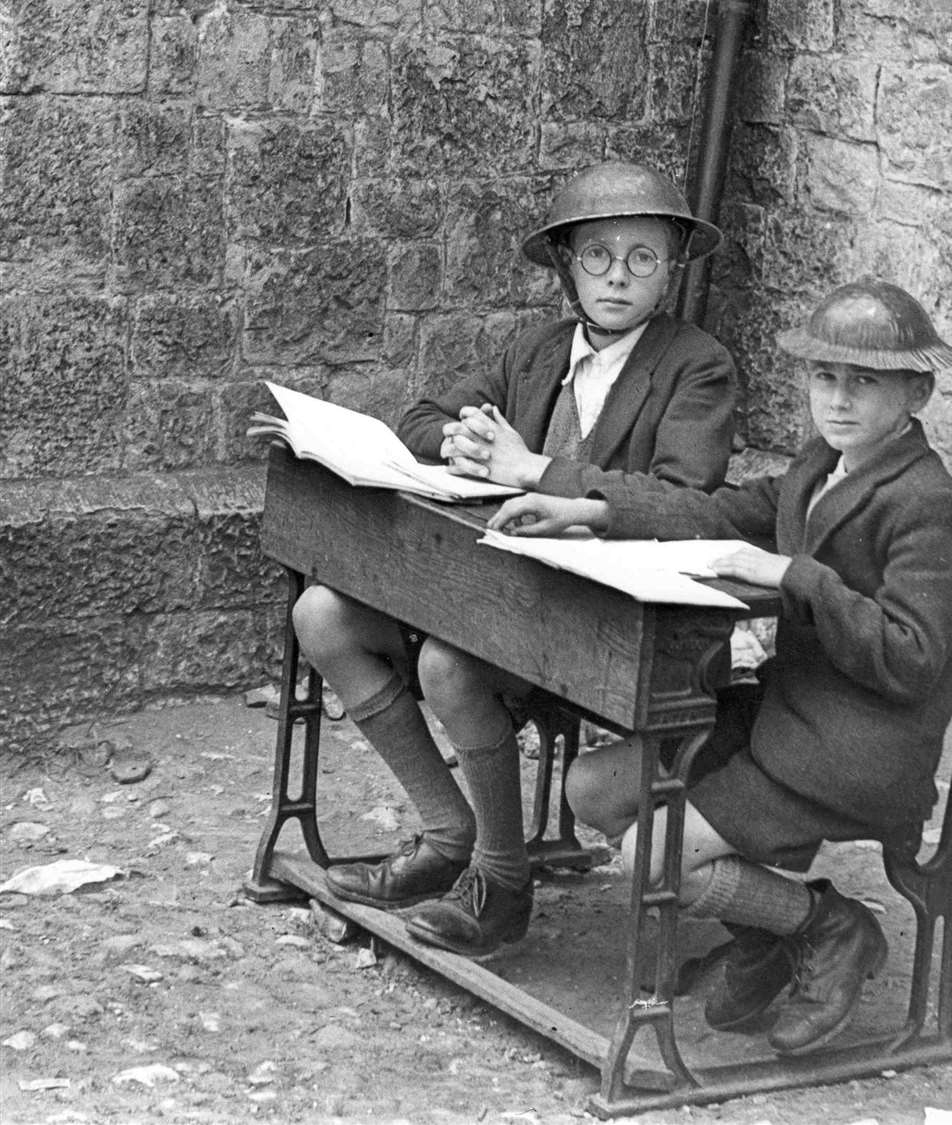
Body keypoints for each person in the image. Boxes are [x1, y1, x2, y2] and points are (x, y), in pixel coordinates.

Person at [487, 279, 952, 1053]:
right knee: (592, 788)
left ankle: (830, 927)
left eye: (865, 381)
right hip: (783, 719)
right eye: (825, 377)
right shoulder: (823, 464)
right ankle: (767, 932)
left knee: (648, 854)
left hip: (853, 752)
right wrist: (586, 509)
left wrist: (796, 575)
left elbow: (912, 659)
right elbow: (717, 512)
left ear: (917, 390)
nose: (839, 399)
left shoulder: (926, 504)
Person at [290, 159, 739, 958]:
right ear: (567, 266)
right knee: (320, 612)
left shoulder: (694, 364)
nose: (618, 277)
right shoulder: (536, 351)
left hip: (606, 620)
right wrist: (457, 440)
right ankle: (446, 832)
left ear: (671, 269)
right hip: (499, 591)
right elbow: (421, 414)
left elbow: (684, 498)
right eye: (597, 256)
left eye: (642, 257)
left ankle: (503, 882)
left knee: (450, 666)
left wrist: (534, 470)